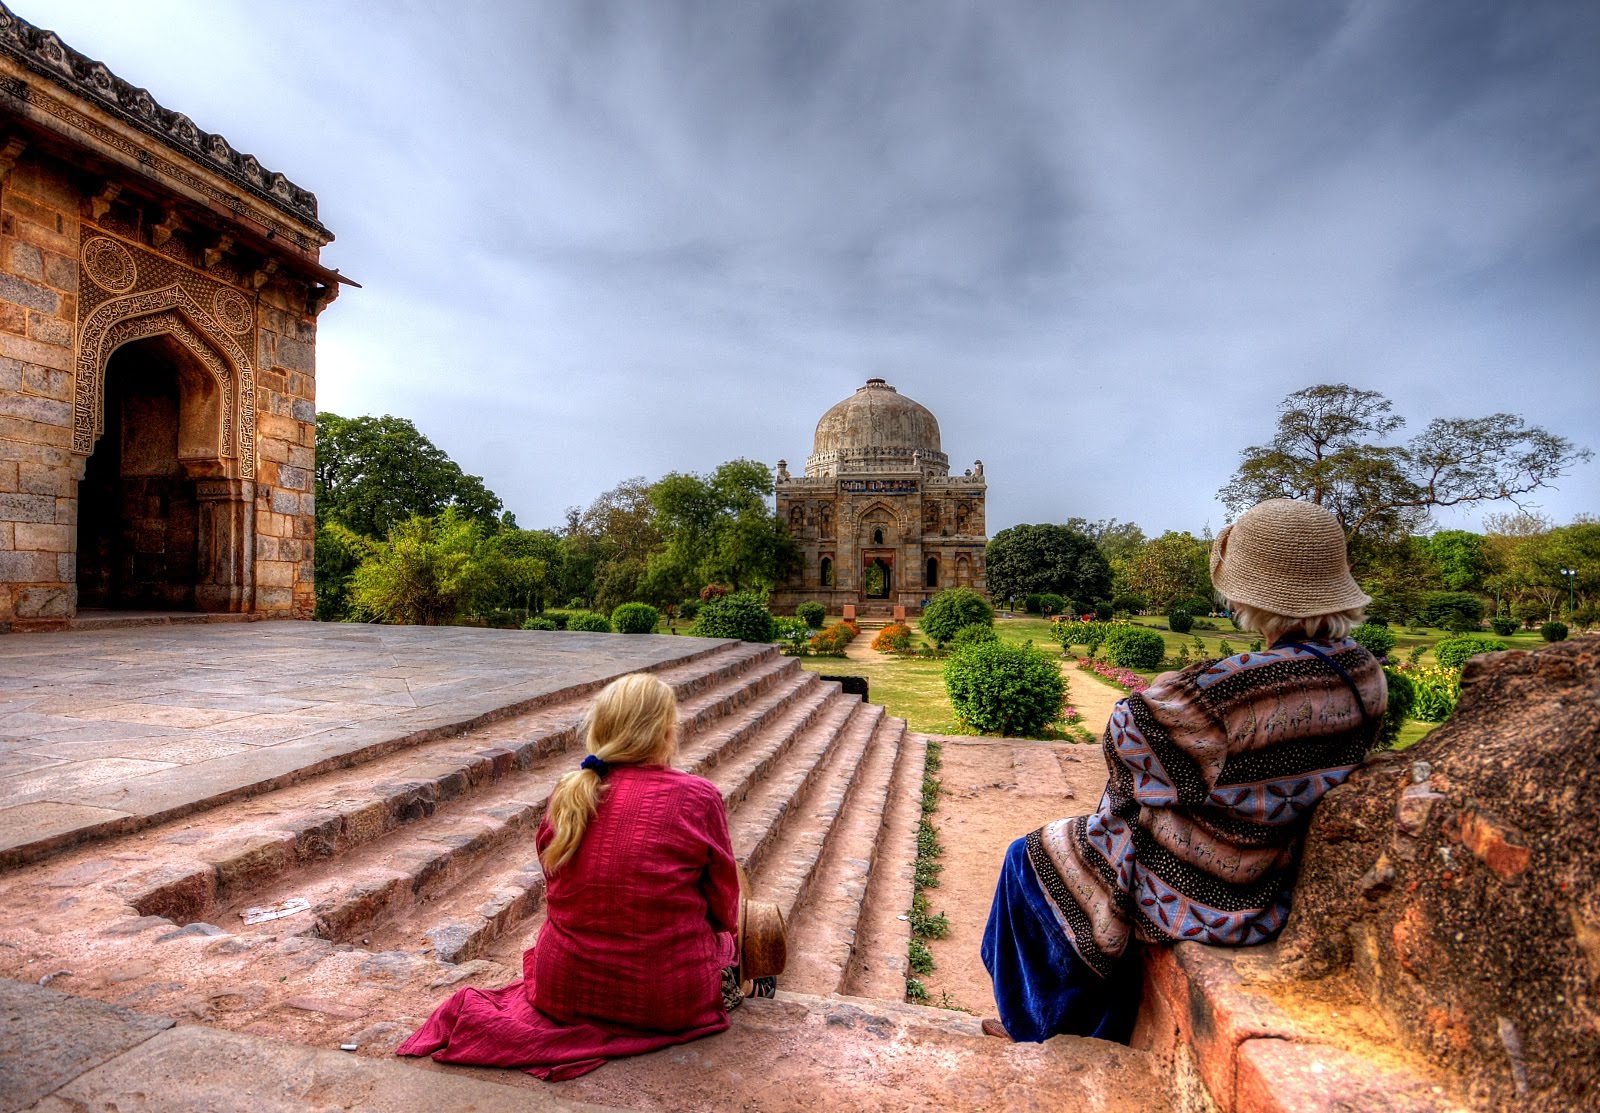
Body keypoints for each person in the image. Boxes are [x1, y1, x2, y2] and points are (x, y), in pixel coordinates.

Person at [981, 499, 1388, 1043]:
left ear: (1247, 592)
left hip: (1206, 880)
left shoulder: (1237, 687)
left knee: (1031, 860)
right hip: (1269, 867)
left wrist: (1179, 683)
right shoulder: (1363, 672)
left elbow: (1128, 738)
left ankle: (1045, 1024)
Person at [396, 672, 741, 1080]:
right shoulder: (698, 797)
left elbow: (564, 886)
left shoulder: (569, 793)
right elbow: (724, 911)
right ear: (667, 732)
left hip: (562, 989)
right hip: (665, 999)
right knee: (733, 948)